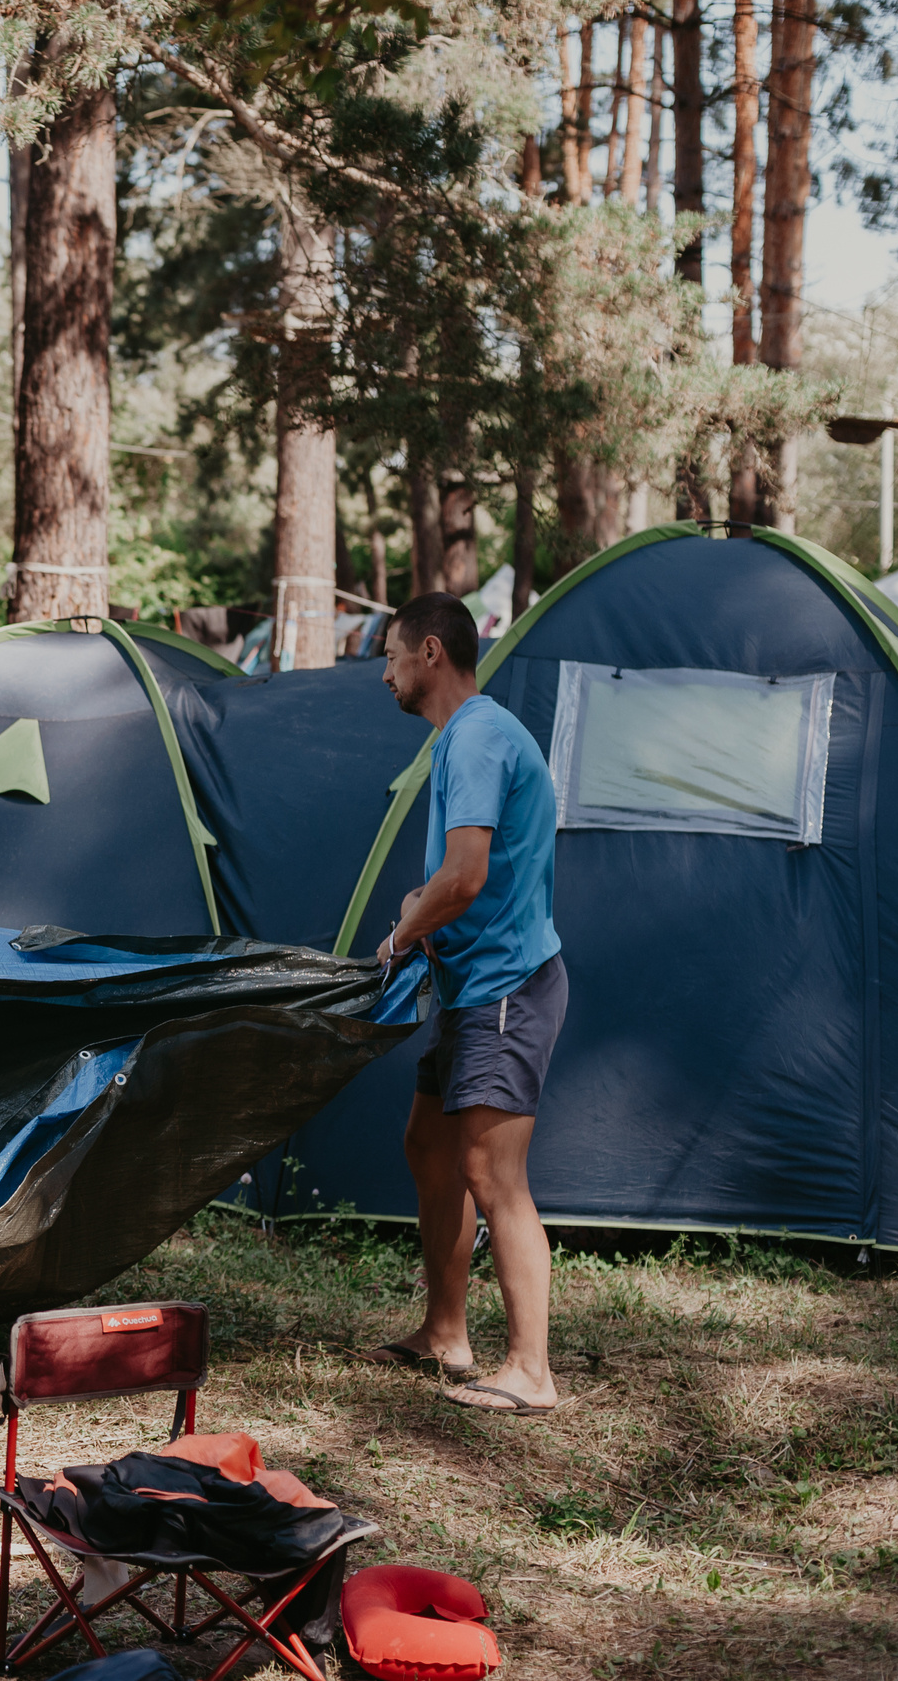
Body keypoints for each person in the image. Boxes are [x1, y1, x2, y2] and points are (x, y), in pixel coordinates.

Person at [362, 592, 568, 1418]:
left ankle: (532, 1370)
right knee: (429, 1145)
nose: (385, 672)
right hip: (474, 986)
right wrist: (427, 905)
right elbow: (467, 877)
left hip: (507, 990)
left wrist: (405, 931)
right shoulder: (466, 737)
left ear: (432, 654)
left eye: (392, 654)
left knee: (492, 1171)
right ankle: (446, 1331)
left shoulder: (477, 737)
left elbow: (469, 876)